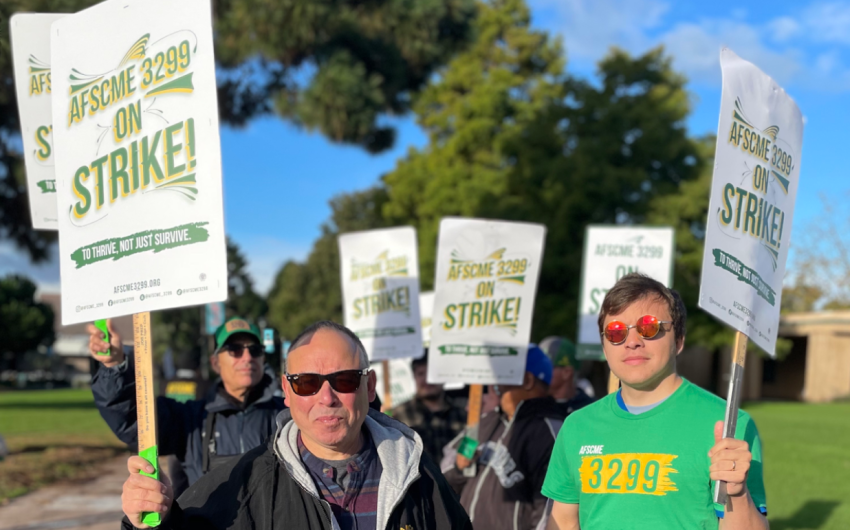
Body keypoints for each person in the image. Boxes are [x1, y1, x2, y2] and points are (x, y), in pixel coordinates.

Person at [119, 320, 473, 530]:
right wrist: (147, 520)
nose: (326, 397)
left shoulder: (416, 472)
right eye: (307, 382)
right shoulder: (247, 482)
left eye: (345, 380)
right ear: (287, 391)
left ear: (369, 386)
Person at [543, 273, 768, 530]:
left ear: (679, 340)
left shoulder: (730, 425)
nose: (633, 342)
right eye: (616, 332)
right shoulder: (577, 426)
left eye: (648, 327)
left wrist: (737, 494)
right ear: (605, 347)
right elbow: (563, 521)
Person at [88, 317, 286, 488]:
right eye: (234, 349)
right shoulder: (189, 418)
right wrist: (115, 366)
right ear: (215, 363)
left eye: (255, 350)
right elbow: (132, 421)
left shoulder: (288, 414)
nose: (247, 357)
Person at [442, 346, 566, 530]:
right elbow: (444, 481)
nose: (494, 381)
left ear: (527, 380)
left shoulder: (551, 432)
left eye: (503, 372)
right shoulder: (481, 424)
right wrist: (459, 469)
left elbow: (550, 510)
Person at [390, 353, 466, 462]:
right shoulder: (398, 414)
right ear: (414, 378)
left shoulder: (464, 413)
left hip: (457, 477)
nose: (426, 379)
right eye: (421, 374)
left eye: (432, 374)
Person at [539, 337, 595, 416]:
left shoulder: (591, 410)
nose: (538, 373)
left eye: (546, 367)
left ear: (567, 373)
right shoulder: (533, 407)